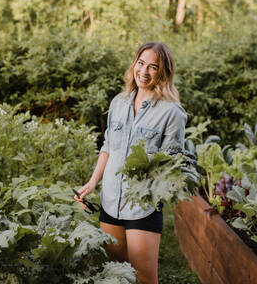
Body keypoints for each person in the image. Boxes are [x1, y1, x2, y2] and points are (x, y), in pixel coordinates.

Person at [74, 42, 187, 284]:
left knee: (144, 277)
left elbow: (171, 164)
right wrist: (93, 182)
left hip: (142, 205)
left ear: (164, 72)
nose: (144, 72)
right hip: (110, 200)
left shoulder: (172, 112)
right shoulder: (119, 102)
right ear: (134, 64)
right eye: (141, 63)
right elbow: (108, 147)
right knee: (115, 274)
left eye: (153, 67)